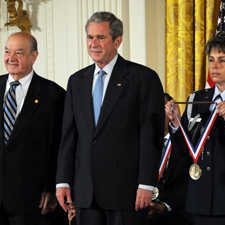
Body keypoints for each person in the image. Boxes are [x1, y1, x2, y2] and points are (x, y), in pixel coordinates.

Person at [56, 11, 165, 225]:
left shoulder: (143, 78)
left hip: (126, 190)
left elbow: (150, 136)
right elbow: (68, 136)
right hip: (85, 189)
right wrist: (62, 181)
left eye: (100, 37)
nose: (93, 43)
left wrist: (146, 184)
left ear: (117, 41)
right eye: (89, 37)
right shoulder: (76, 81)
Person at [0, 32, 65, 225]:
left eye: (18, 53)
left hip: (31, 198)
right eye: (7, 51)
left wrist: (51, 188)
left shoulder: (54, 95)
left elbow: (58, 147)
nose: (11, 58)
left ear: (34, 56)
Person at [165, 31, 225, 225]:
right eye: (211, 60)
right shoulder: (196, 99)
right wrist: (175, 122)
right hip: (200, 198)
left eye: (222, 60)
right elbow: (184, 150)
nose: (214, 66)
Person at [148, 93, 193, 225]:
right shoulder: (140, 143)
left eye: (159, 108)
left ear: (170, 111)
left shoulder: (188, 141)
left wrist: (165, 205)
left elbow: (192, 182)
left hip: (176, 210)